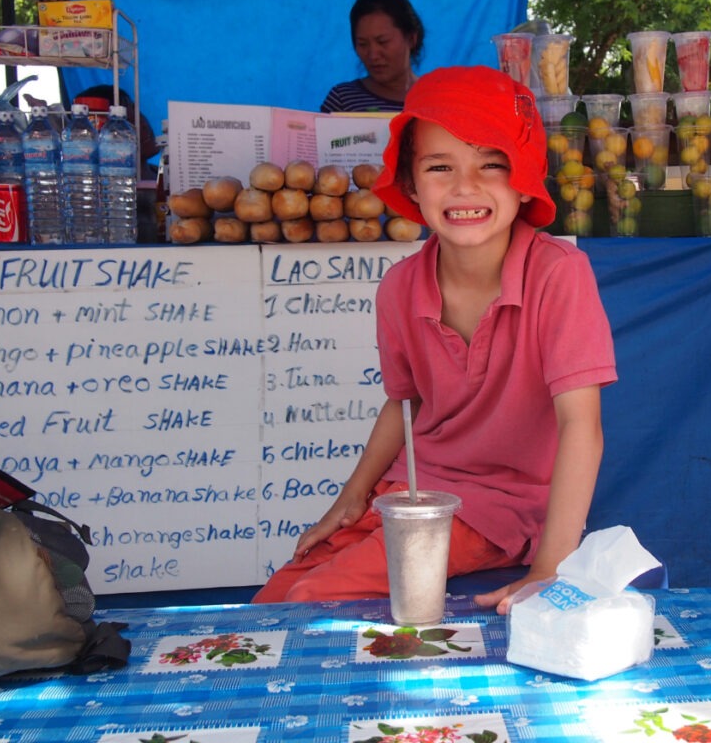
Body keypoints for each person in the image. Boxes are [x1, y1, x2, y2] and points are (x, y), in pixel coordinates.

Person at [254, 66, 617, 613]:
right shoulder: (400, 287)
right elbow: (404, 402)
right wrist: (351, 500)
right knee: (271, 599)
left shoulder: (558, 273)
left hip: (501, 507)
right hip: (412, 495)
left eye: (491, 165)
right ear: (410, 185)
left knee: (310, 598)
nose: (465, 187)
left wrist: (549, 570)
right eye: (440, 166)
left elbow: (581, 425)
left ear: (524, 183)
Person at [320, 0, 425, 113]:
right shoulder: (342, 100)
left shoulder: (437, 98)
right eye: (363, 44)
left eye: (383, 42)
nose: (373, 55)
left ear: (411, 38)